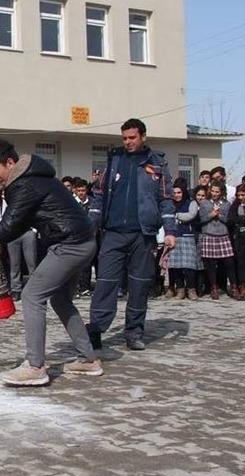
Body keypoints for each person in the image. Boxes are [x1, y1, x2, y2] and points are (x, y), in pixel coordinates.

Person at [0, 140, 102, 386]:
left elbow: (9, 225)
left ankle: (35, 366)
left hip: (70, 244)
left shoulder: (24, 184)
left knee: (32, 295)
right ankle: (88, 359)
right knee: (61, 300)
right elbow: (16, 225)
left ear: (10, 163)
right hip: (83, 241)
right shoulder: (33, 178)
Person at [87, 118, 176, 351]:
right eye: (124, 138)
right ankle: (95, 330)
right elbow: (98, 194)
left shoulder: (157, 164)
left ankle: (134, 333)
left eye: (132, 138)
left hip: (143, 235)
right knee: (105, 283)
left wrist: (170, 231)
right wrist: (91, 225)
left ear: (143, 137)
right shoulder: (114, 160)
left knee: (139, 286)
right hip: (113, 233)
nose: (127, 142)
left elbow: (166, 199)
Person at [199, 182, 237, 300]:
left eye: (217, 192)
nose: (214, 194)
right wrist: (211, 214)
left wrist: (219, 215)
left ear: (221, 192)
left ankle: (234, 286)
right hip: (209, 234)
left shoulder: (226, 204)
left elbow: (229, 220)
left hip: (223, 234)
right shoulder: (204, 203)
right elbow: (201, 219)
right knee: (210, 264)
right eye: (213, 191)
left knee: (229, 262)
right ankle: (213, 287)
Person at [168, 181, 201, 300]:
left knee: (189, 266)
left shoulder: (191, 202)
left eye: (179, 192)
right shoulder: (169, 204)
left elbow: (191, 215)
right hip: (174, 236)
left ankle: (191, 289)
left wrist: (176, 216)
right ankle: (180, 289)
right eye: (174, 193)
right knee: (175, 266)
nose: (176, 195)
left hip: (188, 236)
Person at [74, 179, 94, 297]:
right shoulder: (71, 202)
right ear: (75, 191)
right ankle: (75, 287)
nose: (81, 193)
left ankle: (85, 287)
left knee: (87, 263)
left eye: (83, 190)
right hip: (75, 236)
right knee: (75, 264)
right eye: (79, 190)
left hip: (89, 236)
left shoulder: (92, 202)